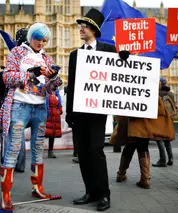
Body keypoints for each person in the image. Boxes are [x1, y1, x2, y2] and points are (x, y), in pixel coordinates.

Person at [0, 22, 62, 210]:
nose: (41, 43)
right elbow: (7, 77)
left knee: (37, 149)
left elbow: (48, 88)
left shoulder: (47, 58)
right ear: (31, 36)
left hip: (40, 107)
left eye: (45, 40)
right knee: (14, 148)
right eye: (38, 39)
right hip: (19, 105)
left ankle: (37, 187)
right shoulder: (17, 53)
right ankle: (5, 195)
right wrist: (30, 75)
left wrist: (55, 81)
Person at [65, 9, 116, 211]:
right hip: (79, 112)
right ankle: (91, 192)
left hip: (97, 112)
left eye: (84, 26)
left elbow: (121, 73)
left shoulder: (109, 50)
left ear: (93, 29)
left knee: (96, 150)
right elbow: (72, 85)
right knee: (84, 153)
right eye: (80, 26)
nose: (81, 29)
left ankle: (104, 194)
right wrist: (69, 113)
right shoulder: (74, 55)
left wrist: (125, 58)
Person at [112, 98, 175, 189]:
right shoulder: (153, 86)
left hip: (132, 113)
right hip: (146, 116)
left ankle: (121, 174)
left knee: (130, 144)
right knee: (143, 146)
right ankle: (145, 179)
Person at [0, 28, 29, 175]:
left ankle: (5, 166)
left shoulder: (13, 60)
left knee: (6, 136)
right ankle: (19, 164)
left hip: (8, 104)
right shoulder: (29, 58)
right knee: (18, 135)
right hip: (23, 103)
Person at [152, 77, 175, 167]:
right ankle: (171, 157)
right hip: (169, 118)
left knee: (159, 139)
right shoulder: (171, 93)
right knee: (167, 139)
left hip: (160, 118)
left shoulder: (157, 93)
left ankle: (162, 159)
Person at [45, 86, 63, 158]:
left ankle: (50, 151)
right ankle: (38, 152)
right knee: (43, 133)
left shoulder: (57, 94)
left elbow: (59, 104)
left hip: (55, 117)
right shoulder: (47, 93)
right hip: (48, 116)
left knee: (52, 135)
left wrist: (59, 111)